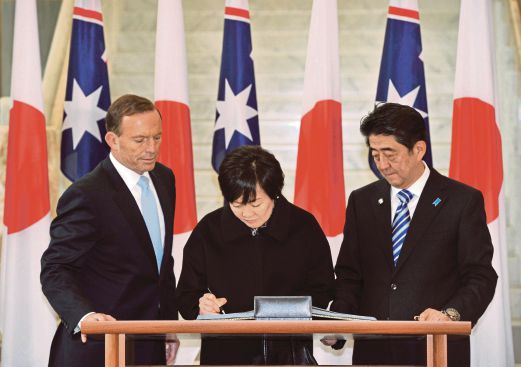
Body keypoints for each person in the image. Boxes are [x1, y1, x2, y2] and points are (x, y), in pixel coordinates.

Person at [329, 103, 497, 366]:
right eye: (375, 155)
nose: (382, 165)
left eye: (390, 154)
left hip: (435, 348)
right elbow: (350, 275)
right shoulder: (363, 201)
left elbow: (481, 276)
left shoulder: (461, 201)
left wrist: (450, 315)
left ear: (419, 150)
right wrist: (337, 323)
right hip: (374, 352)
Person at [41, 94, 178, 366]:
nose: (151, 148)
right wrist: (84, 317)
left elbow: (161, 265)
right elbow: (55, 268)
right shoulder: (87, 195)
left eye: (157, 137)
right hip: (98, 346)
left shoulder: (165, 179)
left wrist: (168, 326)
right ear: (112, 140)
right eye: (140, 140)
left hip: (149, 343)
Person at [177, 145, 335, 365]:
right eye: (237, 204)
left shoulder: (303, 227)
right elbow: (186, 294)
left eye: (255, 203)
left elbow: (323, 288)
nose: (246, 213)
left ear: (274, 192)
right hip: (225, 356)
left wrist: (293, 315)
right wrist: (202, 307)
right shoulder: (209, 230)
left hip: (290, 354)